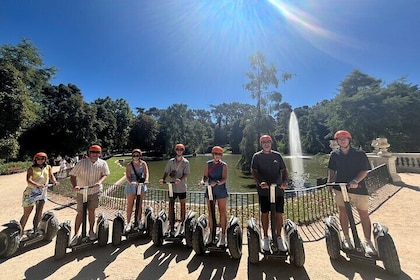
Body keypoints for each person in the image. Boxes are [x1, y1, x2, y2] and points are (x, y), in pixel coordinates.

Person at [327, 130, 376, 255]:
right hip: (341, 188)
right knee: (343, 213)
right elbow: (332, 170)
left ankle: (368, 241)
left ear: (349, 140)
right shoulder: (334, 154)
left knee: (363, 214)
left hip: (358, 189)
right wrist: (329, 183)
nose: (342, 141)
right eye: (340, 139)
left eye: (345, 139)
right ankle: (346, 238)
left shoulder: (359, 154)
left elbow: (364, 170)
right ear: (337, 141)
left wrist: (355, 180)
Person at [251, 135, 289, 252]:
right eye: (264, 142)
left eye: (268, 142)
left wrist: (285, 182)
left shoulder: (277, 156)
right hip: (264, 190)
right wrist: (260, 182)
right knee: (265, 213)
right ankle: (266, 237)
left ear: (271, 143)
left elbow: (284, 170)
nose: (266, 144)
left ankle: (278, 237)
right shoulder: (257, 156)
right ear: (261, 144)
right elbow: (254, 171)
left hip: (277, 190)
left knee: (278, 213)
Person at [69, 144, 110, 245]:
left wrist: (99, 182)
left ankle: (91, 231)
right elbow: (72, 175)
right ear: (89, 153)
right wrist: (75, 186)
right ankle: (75, 234)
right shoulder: (81, 163)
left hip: (94, 191)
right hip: (82, 191)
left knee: (92, 211)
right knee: (80, 212)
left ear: (100, 153)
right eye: (92, 152)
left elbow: (105, 174)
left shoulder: (103, 163)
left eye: (97, 152)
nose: (94, 154)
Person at [20, 152, 59, 235]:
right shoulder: (31, 168)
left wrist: (55, 181)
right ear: (35, 160)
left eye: (42, 159)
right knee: (27, 212)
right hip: (31, 192)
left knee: (39, 212)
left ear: (45, 159)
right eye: (38, 159)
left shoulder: (48, 167)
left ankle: (35, 229)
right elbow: (29, 180)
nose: (40, 160)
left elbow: (51, 176)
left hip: (42, 192)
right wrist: (37, 185)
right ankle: (20, 231)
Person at [199, 146, 228, 247]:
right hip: (210, 190)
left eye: (219, 154)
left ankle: (223, 234)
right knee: (211, 212)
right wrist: (203, 181)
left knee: (222, 212)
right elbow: (205, 176)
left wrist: (217, 182)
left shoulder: (224, 165)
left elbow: (224, 178)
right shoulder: (208, 164)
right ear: (213, 154)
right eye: (216, 154)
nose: (217, 156)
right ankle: (212, 233)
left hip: (220, 190)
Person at [159, 144, 190, 231]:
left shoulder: (186, 162)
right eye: (177, 149)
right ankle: (171, 223)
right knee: (171, 205)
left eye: (181, 149)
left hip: (181, 187)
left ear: (183, 151)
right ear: (175, 150)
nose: (179, 151)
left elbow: (186, 173)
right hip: (172, 187)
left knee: (182, 205)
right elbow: (166, 171)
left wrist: (180, 179)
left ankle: (183, 223)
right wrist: (163, 179)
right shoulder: (171, 161)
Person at [125, 148, 149, 232]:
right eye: (134, 155)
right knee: (130, 204)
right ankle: (128, 223)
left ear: (140, 156)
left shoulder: (143, 164)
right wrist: (131, 182)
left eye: (137, 155)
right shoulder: (129, 165)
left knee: (139, 204)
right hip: (131, 185)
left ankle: (139, 221)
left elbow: (146, 173)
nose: (135, 157)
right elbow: (127, 176)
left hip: (140, 185)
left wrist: (146, 180)